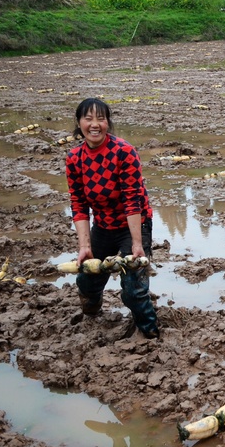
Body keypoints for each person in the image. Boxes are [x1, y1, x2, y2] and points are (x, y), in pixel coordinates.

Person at [65, 97, 160, 339]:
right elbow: (78, 203)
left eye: (101, 118)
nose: (94, 124)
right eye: (88, 118)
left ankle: (150, 334)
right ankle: (92, 314)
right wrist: (85, 246)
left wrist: (137, 245)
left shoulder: (124, 152)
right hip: (103, 226)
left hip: (134, 224)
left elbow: (133, 200)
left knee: (133, 290)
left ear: (108, 123)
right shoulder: (74, 158)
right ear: (79, 123)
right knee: (87, 280)